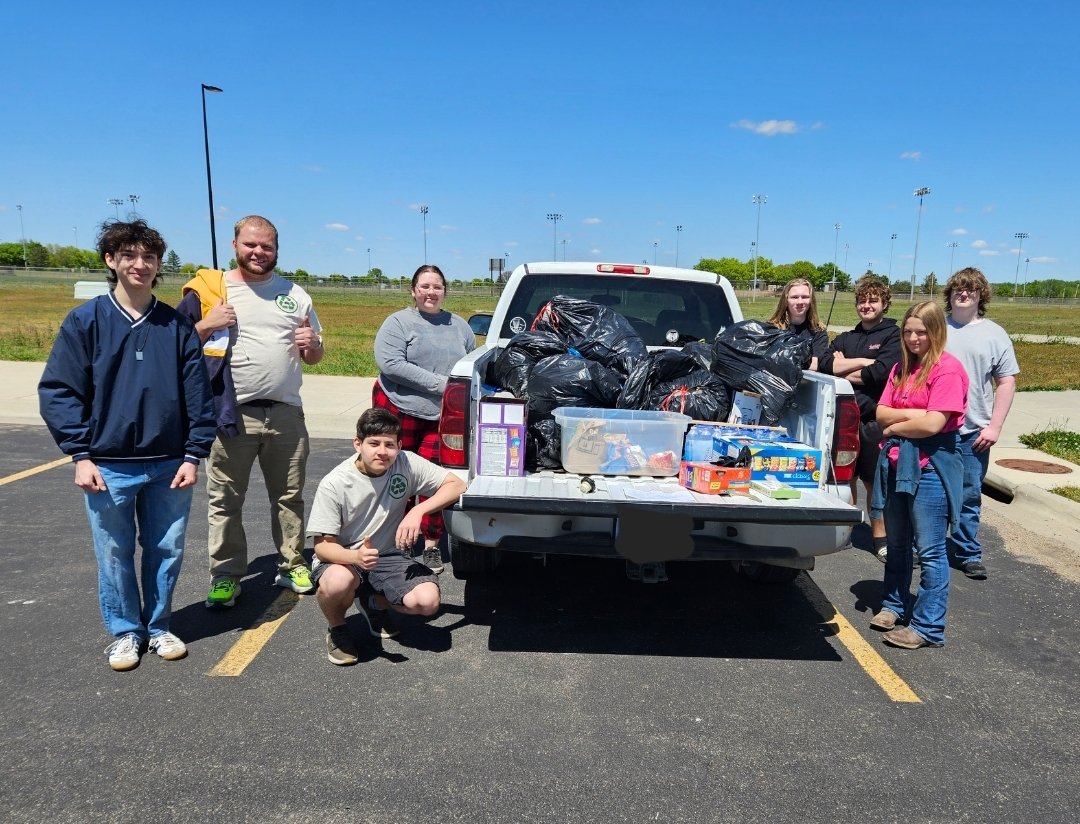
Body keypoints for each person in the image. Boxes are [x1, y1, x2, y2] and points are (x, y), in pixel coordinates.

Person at [38, 220, 215, 671]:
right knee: (114, 552)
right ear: (111, 260)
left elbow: (198, 395)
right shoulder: (85, 321)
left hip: (169, 463)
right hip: (107, 465)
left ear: (158, 265)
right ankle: (125, 632)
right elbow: (60, 390)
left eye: (149, 257)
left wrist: (194, 454)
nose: (140, 264)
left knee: (166, 549)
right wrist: (80, 454)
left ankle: (158, 627)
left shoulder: (176, 326)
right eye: (130, 255)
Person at [176, 215, 325, 609]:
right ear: (235, 245)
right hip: (231, 414)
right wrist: (207, 324)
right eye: (251, 245)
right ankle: (225, 575)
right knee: (225, 500)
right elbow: (173, 344)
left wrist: (313, 344)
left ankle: (292, 563)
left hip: (286, 413)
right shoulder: (210, 291)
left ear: (277, 250)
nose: (259, 252)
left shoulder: (295, 294)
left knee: (289, 497)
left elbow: (314, 355)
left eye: (267, 246)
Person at [307, 408, 467, 665]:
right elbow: (323, 548)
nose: (382, 451)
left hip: (388, 555)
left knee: (427, 602)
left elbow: (457, 485)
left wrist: (417, 510)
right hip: (344, 558)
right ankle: (337, 628)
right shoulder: (334, 483)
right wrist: (356, 557)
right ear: (358, 444)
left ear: (399, 446)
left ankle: (373, 602)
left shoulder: (406, 462)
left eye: (389, 444)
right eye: (374, 443)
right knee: (337, 582)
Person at [869, 301, 968, 650]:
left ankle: (928, 626)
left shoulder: (948, 370)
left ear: (936, 331)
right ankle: (893, 605)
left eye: (921, 332)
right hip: (898, 464)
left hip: (931, 468)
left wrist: (896, 425)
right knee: (897, 543)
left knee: (930, 550)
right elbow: (881, 413)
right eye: (908, 331)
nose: (913, 338)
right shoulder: (901, 368)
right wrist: (911, 417)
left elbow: (933, 424)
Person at [372, 264, 475, 573]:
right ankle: (394, 542)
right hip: (398, 408)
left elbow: (470, 365)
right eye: (425, 286)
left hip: (441, 416)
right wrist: (441, 385)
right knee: (395, 475)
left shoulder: (460, 327)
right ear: (413, 290)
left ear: (445, 291)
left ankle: (431, 545)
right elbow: (391, 363)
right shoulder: (398, 323)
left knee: (435, 479)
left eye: (437, 286)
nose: (431, 292)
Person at [818, 275, 902, 562]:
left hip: (872, 422)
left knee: (874, 481)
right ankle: (848, 531)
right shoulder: (846, 337)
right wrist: (863, 363)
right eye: (862, 301)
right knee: (846, 477)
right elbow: (825, 365)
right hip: (842, 420)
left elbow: (881, 373)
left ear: (884, 304)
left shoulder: (893, 336)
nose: (867, 305)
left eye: (873, 300)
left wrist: (845, 366)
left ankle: (881, 538)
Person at [943, 267, 1019, 580]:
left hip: (973, 431)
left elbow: (1006, 382)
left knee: (969, 494)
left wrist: (994, 427)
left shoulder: (994, 334)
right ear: (949, 294)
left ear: (980, 295)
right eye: (958, 289)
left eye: (970, 289)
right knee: (929, 494)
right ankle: (927, 546)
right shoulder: (936, 329)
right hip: (933, 427)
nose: (964, 294)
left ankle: (967, 552)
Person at [767, 277, 830, 370]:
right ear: (786, 300)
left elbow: (814, 366)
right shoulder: (771, 329)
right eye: (794, 297)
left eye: (805, 297)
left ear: (811, 301)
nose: (800, 302)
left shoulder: (819, 332)